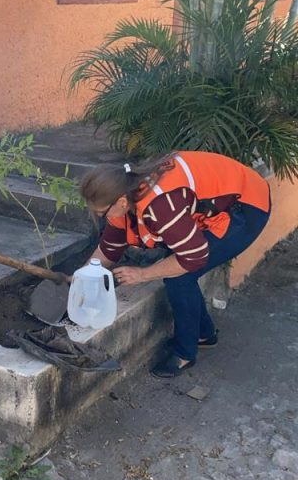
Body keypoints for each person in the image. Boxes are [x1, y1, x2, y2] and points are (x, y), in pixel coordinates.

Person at [80, 151, 271, 378]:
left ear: (121, 201)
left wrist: (142, 274)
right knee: (176, 267)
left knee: (179, 276)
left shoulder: (160, 205)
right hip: (221, 201)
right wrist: (82, 276)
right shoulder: (126, 192)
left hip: (246, 207)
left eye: (101, 212)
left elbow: (192, 258)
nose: (100, 216)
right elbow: (110, 245)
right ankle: (204, 334)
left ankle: (185, 353)